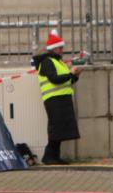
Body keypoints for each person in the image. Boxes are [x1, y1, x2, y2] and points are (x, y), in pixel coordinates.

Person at [32, 30, 82, 165]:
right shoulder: (48, 62)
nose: (62, 50)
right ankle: (49, 157)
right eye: (60, 48)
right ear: (53, 49)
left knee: (60, 130)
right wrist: (70, 74)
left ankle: (54, 157)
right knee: (56, 129)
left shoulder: (59, 62)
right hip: (54, 99)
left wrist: (74, 76)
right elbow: (54, 79)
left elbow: (66, 81)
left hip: (61, 99)